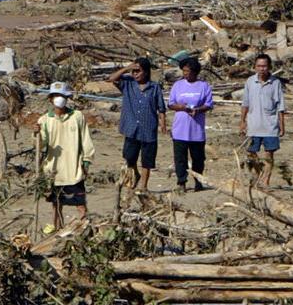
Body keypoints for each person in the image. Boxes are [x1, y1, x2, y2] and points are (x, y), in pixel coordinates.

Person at [35, 81, 95, 230]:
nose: (59, 98)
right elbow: (40, 146)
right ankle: (58, 230)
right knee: (56, 205)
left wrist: (86, 161)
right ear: (50, 99)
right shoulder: (44, 120)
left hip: (74, 169)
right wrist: (36, 134)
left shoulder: (77, 116)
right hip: (54, 171)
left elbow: (86, 139)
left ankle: (84, 230)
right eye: (56, 96)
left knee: (80, 205)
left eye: (62, 95)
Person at [109, 58, 166, 191]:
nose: (135, 74)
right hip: (131, 128)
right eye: (133, 71)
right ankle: (136, 174)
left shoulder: (154, 87)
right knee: (129, 156)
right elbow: (111, 79)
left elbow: (161, 107)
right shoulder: (128, 84)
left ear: (146, 72)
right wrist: (127, 68)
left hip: (148, 128)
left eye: (138, 71)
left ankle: (143, 186)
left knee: (147, 160)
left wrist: (163, 123)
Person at [167, 56, 214, 192]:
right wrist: (181, 107)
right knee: (180, 158)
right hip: (180, 129)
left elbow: (209, 104)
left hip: (196, 130)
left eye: (188, 71)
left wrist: (198, 110)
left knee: (198, 158)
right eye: (184, 71)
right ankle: (181, 181)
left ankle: (198, 181)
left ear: (195, 72)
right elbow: (171, 104)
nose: (186, 74)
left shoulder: (204, 86)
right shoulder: (178, 85)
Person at [239, 53, 285, 188]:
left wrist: (282, 125)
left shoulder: (275, 83)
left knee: (269, 154)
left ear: (269, 67)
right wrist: (242, 122)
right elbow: (245, 103)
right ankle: (258, 174)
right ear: (255, 67)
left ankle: (266, 180)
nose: (262, 69)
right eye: (259, 66)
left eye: (264, 66)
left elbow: (280, 105)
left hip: (270, 125)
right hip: (253, 125)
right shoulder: (250, 82)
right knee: (251, 152)